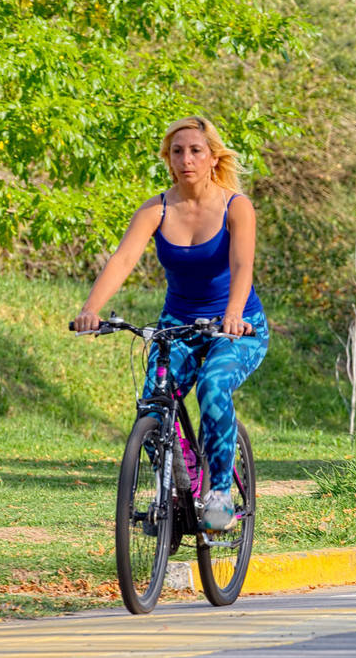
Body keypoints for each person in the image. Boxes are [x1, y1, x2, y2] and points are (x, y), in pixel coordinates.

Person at [71, 116, 268, 532]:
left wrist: (233, 314)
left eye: (196, 150)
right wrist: (91, 308)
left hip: (238, 326)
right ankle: (180, 486)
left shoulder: (237, 206)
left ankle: (218, 490)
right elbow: (123, 260)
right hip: (178, 325)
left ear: (214, 157)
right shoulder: (157, 208)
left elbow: (242, 264)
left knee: (213, 385)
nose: (186, 159)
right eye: (177, 151)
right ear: (168, 158)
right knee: (153, 403)